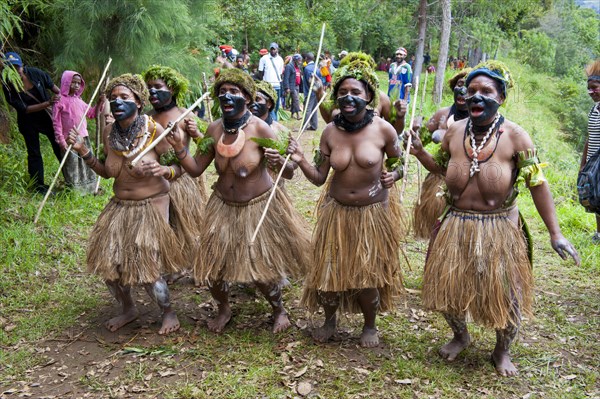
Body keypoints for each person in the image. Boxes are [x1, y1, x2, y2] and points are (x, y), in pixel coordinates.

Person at [409, 61, 580, 376]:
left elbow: (538, 184)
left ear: (501, 96)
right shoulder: (454, 132)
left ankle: (502, 350)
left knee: (509, 295)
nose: (476, 96)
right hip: (456, 223)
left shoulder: (517, 137)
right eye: (472, 90)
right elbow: (442, 170)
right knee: (449, 290)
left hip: (499, 227)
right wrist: (420, 153)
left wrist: (556, 234)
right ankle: (460, 335)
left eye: (486, 91)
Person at [166, 68, 311, 334]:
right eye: (222, 92)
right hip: (222, 205)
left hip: (257, 206)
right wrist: (179, 147)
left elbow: (288, 173)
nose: (227, 96)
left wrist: (283, 162)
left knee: (261, 268)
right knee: (212, 267)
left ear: (247, 97)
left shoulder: (261, 128)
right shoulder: (214, 129)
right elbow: (197, 168)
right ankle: (224, 309)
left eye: (234, 91)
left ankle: (279, 309)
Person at [286, 59, 405, 348]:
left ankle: (369, 325)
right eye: (342, 91)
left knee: (367, 275)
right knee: (328, 271)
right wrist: (300, 158)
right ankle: (329, 321)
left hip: (372, 214)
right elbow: (317, 178)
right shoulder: (329, 132)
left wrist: (395, 175)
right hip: (336, 213)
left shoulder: (384, 130)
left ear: (368, 96)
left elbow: (400, 161)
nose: (348, 96)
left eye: (355, 91)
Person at [67, 74, 184, 335]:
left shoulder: (155, 131)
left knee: (147, 266)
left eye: (124, 97)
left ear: (139, 102)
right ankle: (128, 309)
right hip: (119, 205)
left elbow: (182, 166)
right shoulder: (109, 133)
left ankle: (168, 312)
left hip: (152, 204)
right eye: (113, 98)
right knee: (110, 267)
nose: (117, 102)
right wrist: (84, 152)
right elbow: (108, 173)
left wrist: (164, 170)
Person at [142, 65, 208, 276]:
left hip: (182, 181)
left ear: (171, 89)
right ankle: (169, 263)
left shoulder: (185, 115)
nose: (152, 91)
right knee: (163, 225)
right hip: (154, 181)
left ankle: (195, 264)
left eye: (157, 87)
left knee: (187, 226)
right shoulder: (146, 118)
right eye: (149, 87)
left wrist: (196, 133)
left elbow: (207, 146)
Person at [412, 68, 471, 239]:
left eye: (468, 86)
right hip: (439, 179)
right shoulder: (442, 115)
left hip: (467, 180)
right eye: (460, 85)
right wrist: (415, 130)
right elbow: (419, 141)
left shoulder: (482, 121)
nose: (463, 90)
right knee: (438, 234)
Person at [2, 51, 62, 194]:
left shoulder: (36, 73)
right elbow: (25, 109)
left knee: (58, 146)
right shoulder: (8, 86)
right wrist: (48, 102)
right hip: (27, 122)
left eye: (17, 67)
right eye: (11, 68)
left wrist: (63, 101)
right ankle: (39, 186)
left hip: (47, 118)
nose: (15, 71)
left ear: (22, 65)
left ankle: (71, 178)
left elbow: (54, 88)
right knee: (34, 152)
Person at [318, 52, 407, 134]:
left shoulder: (381, 98)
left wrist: (400, 117)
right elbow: (330, 120)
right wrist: (319, 94)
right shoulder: (341, 94)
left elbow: (394, 132)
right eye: (351, 67)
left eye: (356, 92)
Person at [52, 70, 103, 194]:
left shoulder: (79, 101)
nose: (76, 85)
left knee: (86, 162)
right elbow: (56, 122)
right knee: (73, 164)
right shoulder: (59, 101)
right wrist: (61, 140)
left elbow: (91, 114)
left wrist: (99, 102)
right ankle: (76, 190)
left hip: (83, 138)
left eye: (78, 83)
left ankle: (90, 188)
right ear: (65, 82)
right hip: (69, 139)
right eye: (72, 82)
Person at [580, 59, 600, 243]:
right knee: (595, 197)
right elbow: (588, 137)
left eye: (595, 87)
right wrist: (583, 164)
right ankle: (599, 233)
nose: (591, 92)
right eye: (589, 88)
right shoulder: (594, 110)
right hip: (592, 164)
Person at [258, 42, 284, 121]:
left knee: (276, 106)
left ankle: (272, 119)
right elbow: (260, 72)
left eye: (274, 49)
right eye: (271, 49)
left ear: (277, 50)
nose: (272, 51)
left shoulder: (280, 59)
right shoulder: (264, 59)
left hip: (277, 85)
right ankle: (274, 121)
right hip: (268, 86)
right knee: (269, 104)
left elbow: (280, 72)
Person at [302, 52, 322, 131]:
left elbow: (310, 81)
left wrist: (312, 89)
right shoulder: (316, 67)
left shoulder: (307, 68)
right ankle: (314, 125)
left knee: (307, 109)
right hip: (316, 92)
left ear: (306, 58)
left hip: (310, 92)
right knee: (314, 109)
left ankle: (304, 126)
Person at [282, 54, 303, 120]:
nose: (300, 62)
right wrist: (287, 87)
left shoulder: (298, 67)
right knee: (296, 99)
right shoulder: (289, 66)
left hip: (297, 86)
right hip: (292, 86)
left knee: (294, 100)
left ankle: (292, 114)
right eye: (299, 60)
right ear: (295, 60)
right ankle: (298, 114)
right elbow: (286, 77)